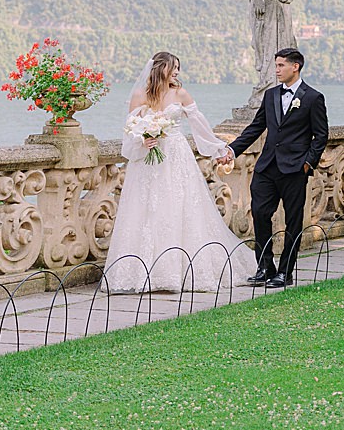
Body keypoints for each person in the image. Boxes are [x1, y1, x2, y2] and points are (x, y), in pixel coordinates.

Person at [104, 52, 253, 292]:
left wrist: (219, 150)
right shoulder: (139, 95)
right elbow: (130, 131)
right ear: (160, 68)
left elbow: (201, 127)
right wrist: (142, 141)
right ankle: (142, 273)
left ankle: (180, 272)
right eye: (173, 68)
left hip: (176, 158)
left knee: (179, 208)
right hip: (147, 164)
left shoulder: (180, 94)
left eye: (178, 69)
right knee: (145, 211)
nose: (176, 73)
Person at [219, 48, 329, 288]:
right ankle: (265, 267)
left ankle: (285, 272)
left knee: (293, 221)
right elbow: (256, 127)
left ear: (295, 67)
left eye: (280, 65)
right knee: (259, 213)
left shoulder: (313, 98)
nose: (276, 70)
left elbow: (320, 136)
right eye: (276, 65)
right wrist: (232, 150)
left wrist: (307, 163)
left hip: (295, 170)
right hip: (266, 167)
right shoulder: (270, 96)